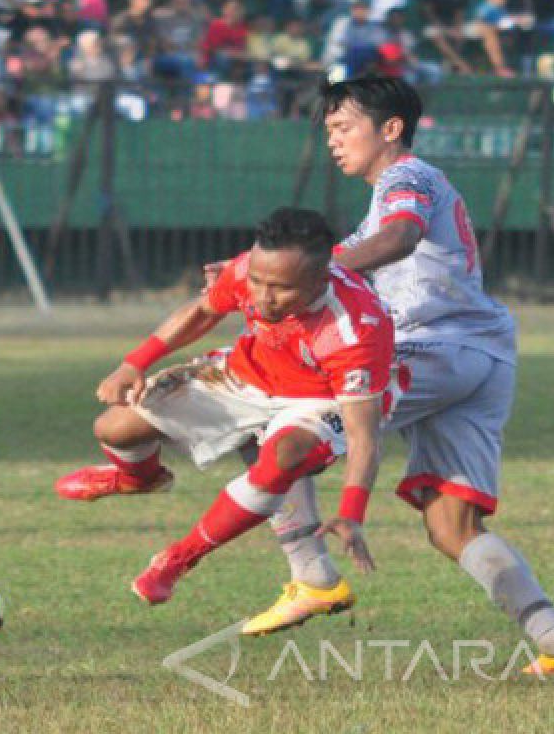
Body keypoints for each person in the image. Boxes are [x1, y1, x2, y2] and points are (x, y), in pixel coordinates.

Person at [234, 77, 554, 677]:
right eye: (327, 131)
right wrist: (256, 272)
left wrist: (309, 276)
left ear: (391, 128)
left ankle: (311, 576)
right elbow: (349, 254)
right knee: (450, 522)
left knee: (280, 428)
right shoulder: (385, 200)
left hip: (432, 348)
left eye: (343, 127)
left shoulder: (408, 178)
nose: (332, 141)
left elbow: (398, 239)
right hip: (481, 356)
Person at [54, 207, 396, 607]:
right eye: (257, 282)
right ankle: (138, 478)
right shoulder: (249, 270)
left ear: (322, 278)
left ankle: (177, 559)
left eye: (281, 289)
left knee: (282, 457)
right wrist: (134, 363)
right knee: (115, 428)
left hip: (320, 400)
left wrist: (352, 511)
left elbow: (363, 436)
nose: (263, 297)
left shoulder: (356, 331)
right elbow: (202, 312)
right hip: (247, 374)